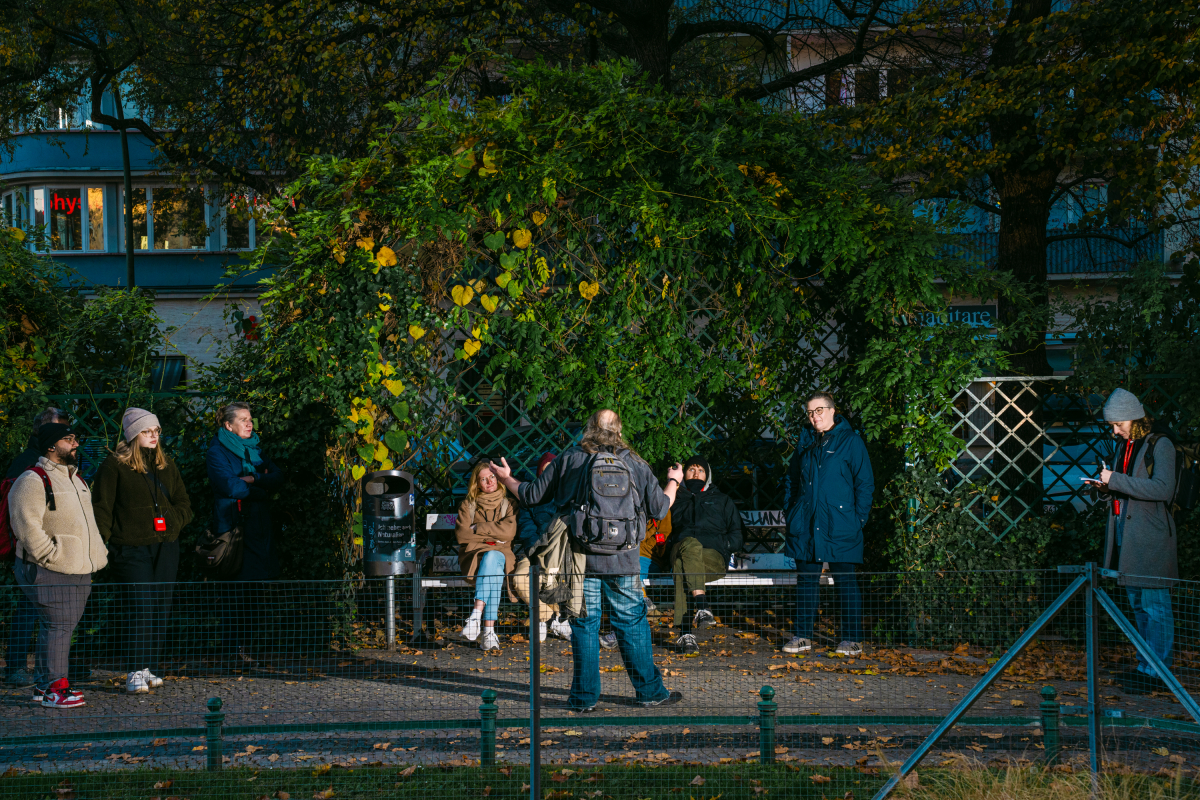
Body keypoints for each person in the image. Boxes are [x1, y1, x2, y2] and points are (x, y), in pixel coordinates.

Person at [490, 409, 684, 712]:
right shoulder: (635, 462)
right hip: (624, 558)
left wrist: (507, 477)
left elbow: (531, 495)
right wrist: (673, 481)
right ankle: (650, 693)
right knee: (631, 623)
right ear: (619, 430)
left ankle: (583, 699)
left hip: (580, 558)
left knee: (584, 624)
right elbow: (659, 510)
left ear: (589, 428)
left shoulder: (570, 459)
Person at [92, 408, 193, 694]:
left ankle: (148, 667)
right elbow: (102, 508)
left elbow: (184, 502)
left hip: (165, 546)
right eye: (147, 431)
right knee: (140, 607)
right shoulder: (114, 466)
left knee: (160, 606)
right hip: (131, 548)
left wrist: (173, 523)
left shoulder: (165, 464)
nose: (153, 436)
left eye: (156, 431)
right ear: (133, 434)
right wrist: (104, 544)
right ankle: (135, 669)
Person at [8, 423, 108, 708]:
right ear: (52, 446)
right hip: (50, 567)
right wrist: (50, 555)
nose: (75, 443)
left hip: (78, 567)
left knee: (58, 627)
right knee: (59, 626)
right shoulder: (32, 479)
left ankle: (44, 686)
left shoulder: (76, 479)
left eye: (75, 438)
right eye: (68, 439)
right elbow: (25, 525)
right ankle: (55, 689)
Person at [1093, 388, 1178, 695]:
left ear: (1134, 416)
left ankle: (1159, 673)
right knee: (1140, 607)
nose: (1115, 430)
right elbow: (1127, 486)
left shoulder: (1161, 444)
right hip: (1127, 537)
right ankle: (1146, 668)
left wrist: (1113, 480)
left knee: (1155, 607)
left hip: (1151, 538)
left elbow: (1162, 490)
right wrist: (1104, 486)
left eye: (1118, 424)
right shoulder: (1126, 445)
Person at [782, 392, 875, 657]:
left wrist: (857, 519)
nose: (815, 416)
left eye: (819, 410)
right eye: (810, 412)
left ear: (833, 410)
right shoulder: (806, 443)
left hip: (840, 524)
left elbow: (865, 484)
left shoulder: (851, 442)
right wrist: (793, 512)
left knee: (845, 581)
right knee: (806, 581)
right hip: (807, 524)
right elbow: (792, 481)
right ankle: (802, 636)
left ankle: (852, 639)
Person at [207, 403, 284, 664]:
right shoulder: (217, 451)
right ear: (228, 425)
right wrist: (261, 489)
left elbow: (277, 477)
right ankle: (231, 653)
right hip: (234, 531)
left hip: (259, 530)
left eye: (250, 419)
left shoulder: (257, 449)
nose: (249, 424)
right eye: (243, 420)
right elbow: (229, 486)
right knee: (234, 595)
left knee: (253, 595)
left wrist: (254, 480)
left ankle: (245, 650)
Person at [4, 407, 68, 688]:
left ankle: (37, 668)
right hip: (33, 549)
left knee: (45, 609)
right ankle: (18, 667)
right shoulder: (27, 465)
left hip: (52, 546)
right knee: (31, 608)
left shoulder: (47, 462)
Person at [667, 455, 745, 656]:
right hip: (680, 548)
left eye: (700, 470)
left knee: (681, 567)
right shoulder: (675, 497)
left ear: (707, 475)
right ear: (684, 473)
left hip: (712, 558)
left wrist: (720, 544)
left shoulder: (721, 500)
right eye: (691, 469)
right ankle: (702, 605)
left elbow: (737, 535)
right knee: (688, 546)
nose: (696, 473)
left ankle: (686, 634)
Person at [455, 461, 518, 652]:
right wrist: (494, 536)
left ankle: (476, 615)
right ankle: (488, 632)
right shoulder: (468, 505)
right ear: (477, 483)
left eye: (492, 477)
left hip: (500, 555)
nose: (489, 482)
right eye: (483, 479)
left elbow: (509, 533)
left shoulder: (509, 504)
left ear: (498, 479)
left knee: (492, 558)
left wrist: (479, 529)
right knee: (494, 569)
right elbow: (462, 535)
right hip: (474, 557)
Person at [513, 452, 573, 642]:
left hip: (560, 554)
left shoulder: (567, 498)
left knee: (555, 576)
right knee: (521, 579)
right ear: (540, 474)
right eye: (545, 472)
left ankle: (543, 621)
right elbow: (525, 529)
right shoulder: (530, 498)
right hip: (533, 553)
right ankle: (551, 619)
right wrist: (538, 549)